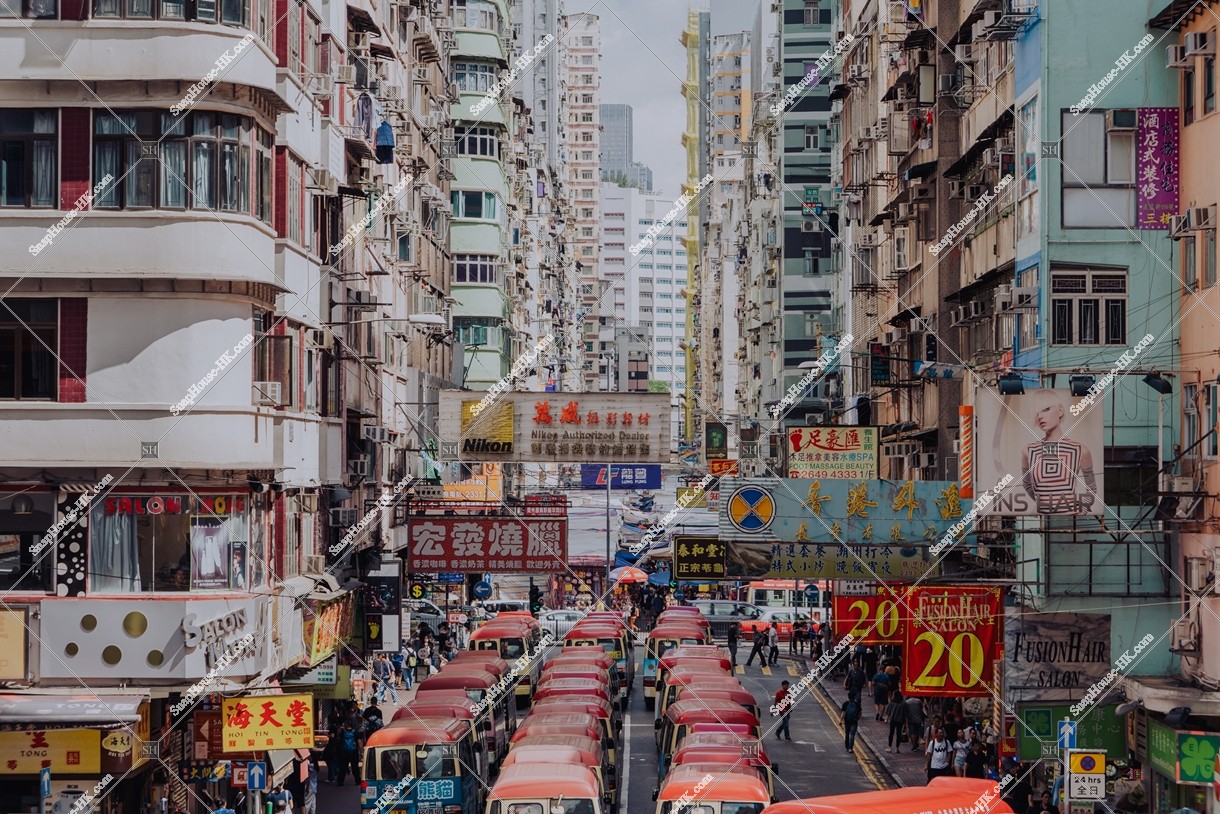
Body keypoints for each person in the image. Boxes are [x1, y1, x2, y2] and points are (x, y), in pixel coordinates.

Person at [1020, 389, 1098, 514]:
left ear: (1060, 411)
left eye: (1046, 409)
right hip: (1043, 516)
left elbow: (1092, 488)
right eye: (1037, 412)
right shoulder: (1028, 451)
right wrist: (1046, 506)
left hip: (1071, 518)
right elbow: (1027, 484)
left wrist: (1082, 509)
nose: (1040, 416)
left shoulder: (1081, 450)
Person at [334, 722, 361, 786]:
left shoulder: (343, 732)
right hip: (353, 752)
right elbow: (359, 742)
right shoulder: (355, 732)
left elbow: (339, 741)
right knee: (355, 768)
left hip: (344, 752)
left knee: (343, 768)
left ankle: (340, 782)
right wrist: (361, 751)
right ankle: (357, 781)